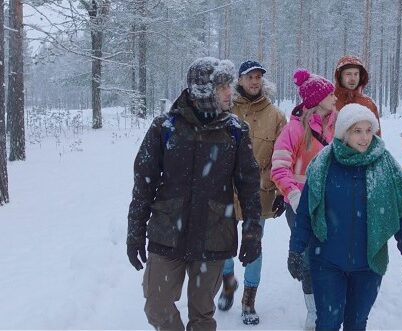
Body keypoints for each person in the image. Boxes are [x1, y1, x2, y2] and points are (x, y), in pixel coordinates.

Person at [126, 57, 263, 331]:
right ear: (202, 91)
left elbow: (249, 187)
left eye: (229, 85)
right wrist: (135, 231)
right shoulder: (164, 128)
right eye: (222, 86)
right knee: (157, 306)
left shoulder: (235, 132)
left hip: (213, 236)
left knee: (202, 316)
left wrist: (252, 234)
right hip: (167, 233)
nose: (230, 92)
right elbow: (144, 184)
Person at [287, 104, 402, 330]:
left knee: (357, 323)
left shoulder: (385, 164)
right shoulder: (323, 164)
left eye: (369, 130)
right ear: (344, 133)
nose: (365, 137)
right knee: (328, 322)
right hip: (327, 260)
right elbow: (306, 213)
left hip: (368, 263)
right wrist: (296, 249)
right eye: (357, 131)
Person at [216, 60, 287, 325]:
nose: (254, 81)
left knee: (254, 245)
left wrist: (279, 189)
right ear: (240, 80)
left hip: (260, 193)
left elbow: (283, 157)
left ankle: (249, 300)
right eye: (250, 77)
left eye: (258, 77)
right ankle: (228, 284)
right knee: (224, 244)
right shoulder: (226, 110)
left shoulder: (277, 116)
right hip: (227, 192)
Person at [271, 68, 337, 330]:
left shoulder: (337, 126)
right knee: (310, 258)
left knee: (331, 256)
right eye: (329, 93)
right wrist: (294, 194)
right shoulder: (293, 131)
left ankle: (329, 301)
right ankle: (314, 310)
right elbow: (279, 167)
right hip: (300, 205)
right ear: (316, 100)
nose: (334, 96)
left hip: (334, 205)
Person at [334, 55, 381, 136]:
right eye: (348, 74)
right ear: (340, 77)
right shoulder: (330, 101)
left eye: (356, 74)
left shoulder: (368, 104)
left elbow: (376, 138)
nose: (353, 78)